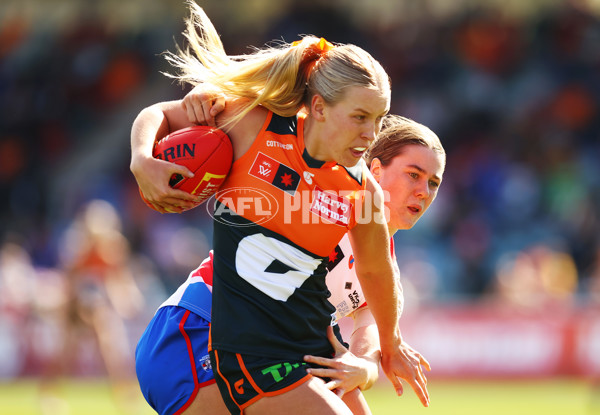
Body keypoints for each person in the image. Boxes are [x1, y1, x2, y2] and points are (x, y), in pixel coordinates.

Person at [130, 2, 414, 414]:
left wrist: (391, 345)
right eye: (359, 117)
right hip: (236, 344)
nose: (371, 134)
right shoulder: (252, 126)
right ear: (318, 108)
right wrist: (142, 160)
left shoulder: (362, 191)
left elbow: (375, 270)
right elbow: (159, 115)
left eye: (379, 118)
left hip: (305, 344)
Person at [134, 110, 445, 415]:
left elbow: (369, 332)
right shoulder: (331, 196)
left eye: (433, 183)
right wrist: (196, 108)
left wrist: (363, 366)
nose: (423, 191)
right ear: (374, 172)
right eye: (413, 174)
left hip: (272, 348)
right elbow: (164, 113)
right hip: (195, 331)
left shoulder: (383, 271)